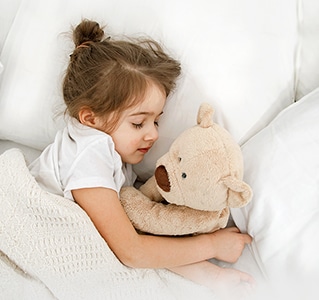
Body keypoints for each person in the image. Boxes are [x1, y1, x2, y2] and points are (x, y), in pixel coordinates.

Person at [29, 19, 254, 295]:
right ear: (90, 118)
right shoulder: (89, 153)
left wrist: (213, 276)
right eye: (138, 124)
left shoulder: (111, 153)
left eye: (156, 122)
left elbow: (136, 233)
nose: (153, 135)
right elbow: (131, 251)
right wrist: (211, 245)